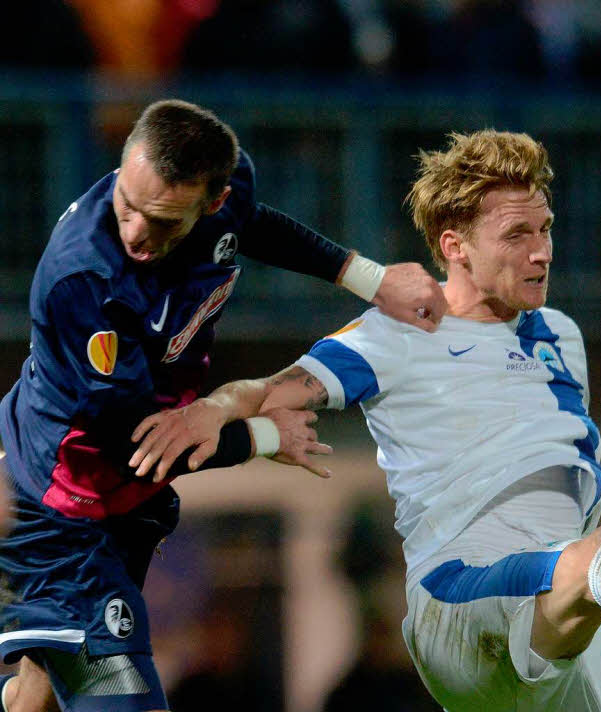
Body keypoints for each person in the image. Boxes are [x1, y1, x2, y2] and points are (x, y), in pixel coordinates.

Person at [131, 129, 601, 711]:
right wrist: (214, 408)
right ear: (454, 245)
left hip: (561, 611)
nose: (541, 250)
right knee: (587, 561)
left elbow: (581, 486)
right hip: (460, 601)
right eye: (517, 234)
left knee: (587, 551)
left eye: (544, 229)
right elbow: (272, 389)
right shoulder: (397, 333)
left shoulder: (560, 336)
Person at [0, 99, 446, 712]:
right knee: (121, 698)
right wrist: (262, 436)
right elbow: (137, 445)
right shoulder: (84, 281)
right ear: (123, 166)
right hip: (64, 507)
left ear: (211, 200)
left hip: (119, 500)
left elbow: (253, 224)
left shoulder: (228, 192)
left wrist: (369, 278)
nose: (134, 232)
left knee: (42, 688)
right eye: (126, 205)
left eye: (159, 220)